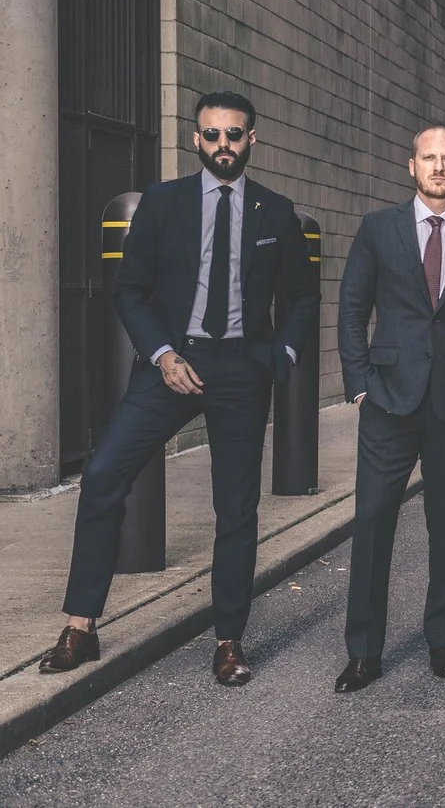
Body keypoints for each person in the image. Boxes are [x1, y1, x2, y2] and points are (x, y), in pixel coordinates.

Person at [40, 90, 319, 685]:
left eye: (235, 134)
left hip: (243, 370)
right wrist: (163, 354)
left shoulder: (276, 211)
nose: (223, 144)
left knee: (236, 509)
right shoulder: (163, 203)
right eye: (212, 134)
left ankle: (229, 641)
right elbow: (129, 290)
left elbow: (302, 296)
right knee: (103, 474)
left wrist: (281, 356)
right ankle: (81, 627)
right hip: (172, 365)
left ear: (251, 139)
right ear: (196, 139)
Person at [333, 126, 445, 693]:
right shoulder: (377, 229)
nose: (438, 167)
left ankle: (443, 641)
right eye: (429, 158)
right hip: (387, 400)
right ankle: (364, 653)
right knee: (372, 523)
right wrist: (360, 386)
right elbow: (351, 309)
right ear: (411, 166)